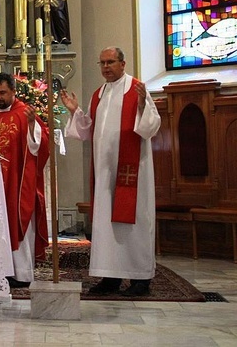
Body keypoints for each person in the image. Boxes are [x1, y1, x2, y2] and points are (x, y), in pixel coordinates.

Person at [61, 47, 161, 297]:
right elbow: (87, 131)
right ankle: (110, 276)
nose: (106, 67)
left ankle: (140, 279)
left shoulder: (136, 89)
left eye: (111, 62)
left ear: (123, 63)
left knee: (135, 222)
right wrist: (75, 111)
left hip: (131, 173)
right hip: (105, 173)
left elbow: (151, 126)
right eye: (102, 62)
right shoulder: (99, 94)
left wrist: (141, 105)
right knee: (106, 224)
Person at [0, 72, 50, 288]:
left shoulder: (25, 114)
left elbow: (39, 146)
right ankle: (1, 271)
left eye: (2, 92)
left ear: (13, 91)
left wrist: (33, 126)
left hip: (16, 182)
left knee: (16, 223)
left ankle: (22, 274)